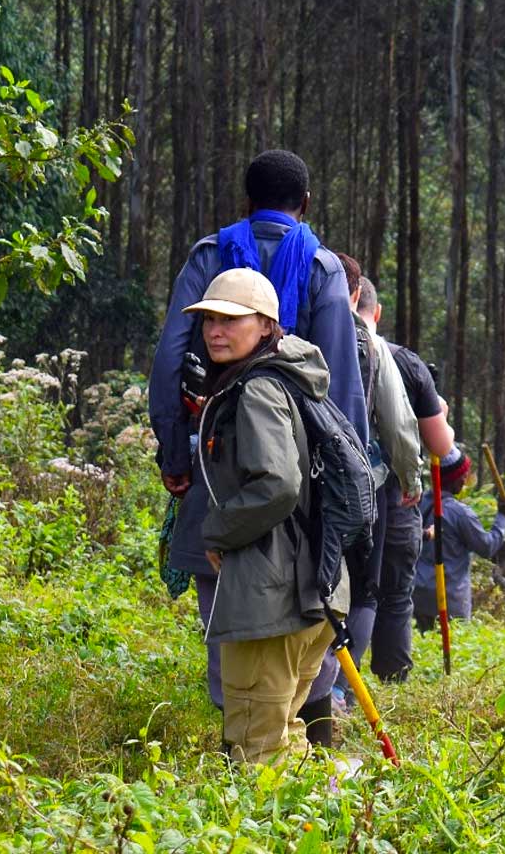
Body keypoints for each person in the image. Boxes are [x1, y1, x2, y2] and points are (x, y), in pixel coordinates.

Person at [149, 150, 366, 712]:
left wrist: (176, 452)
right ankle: (308, 728)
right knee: (307, 587)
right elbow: (339, 385)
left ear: (246, 202)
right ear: (307, 204)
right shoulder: (322, 269)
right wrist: (348, 480)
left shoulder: (209, 257)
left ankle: (238, 732)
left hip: (216, 453)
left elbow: (172, 357)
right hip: (306, 472)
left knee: (220, 591)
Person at [185, 268, 349, 763]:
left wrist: (216, 532)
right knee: (281, 735)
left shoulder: (258, 390)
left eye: (232, 320)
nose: (216, 330)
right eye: (210, 318)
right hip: (312, 590)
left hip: (271, 599)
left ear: (264, 325)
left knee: (255, 752)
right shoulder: (290, 377)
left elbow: (278, 485)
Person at [305, 259, 421, 730]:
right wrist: (410, 477)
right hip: (362, 484)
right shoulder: (373, 344)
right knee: (363, 589)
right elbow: (397, 420)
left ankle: (309, 684)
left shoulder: (294, 329)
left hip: (302, 482)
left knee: (313, 579)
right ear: (357, 295)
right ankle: (335, 690)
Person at [352, 277, 448, 682]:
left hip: (342, 489)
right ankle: (392, 676)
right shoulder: (408, 364)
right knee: (393, 592)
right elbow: (440, 445)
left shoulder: (323, 352)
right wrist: (441, 412)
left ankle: (334, 685)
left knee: (350, 586)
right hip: (398, 493)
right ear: (377, 312)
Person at [414, 448, 505, 627]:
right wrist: (503, 517)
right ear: (453, 479)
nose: (465, 479)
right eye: (463, 475)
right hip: (449, 601)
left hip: (417, 595)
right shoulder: (459, 513)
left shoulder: (418, 502)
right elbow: (487, 547)